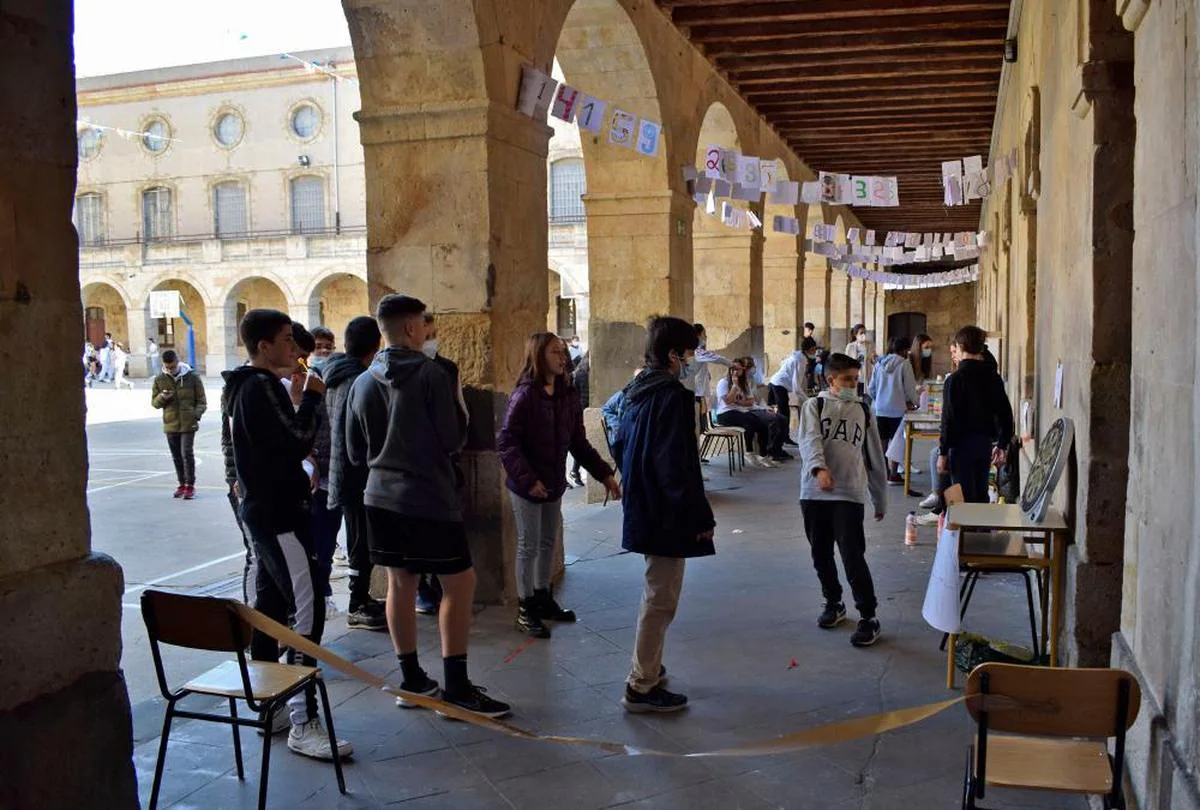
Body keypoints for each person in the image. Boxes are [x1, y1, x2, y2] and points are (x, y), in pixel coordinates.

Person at [345, 294, 510, 718]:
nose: (427, 332)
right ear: (411, 329)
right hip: (429, 497)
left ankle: (412, 679)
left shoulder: (362, 381)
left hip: (379, 497)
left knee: (401, 584)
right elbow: (453, 437)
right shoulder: (433, 375)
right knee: (459, 583)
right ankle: (456, 686)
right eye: (423, 325)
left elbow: (353, 449)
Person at [222, 308, 352, 760]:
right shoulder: (257, 386)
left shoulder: (243, 385)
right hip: (278, 515)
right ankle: (302, 718)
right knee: (307, 609)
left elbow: (271, 446)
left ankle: (271, 706)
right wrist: (313, 398)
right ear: (263, 346)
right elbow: (297, 438)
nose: (295, 350)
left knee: (271, 606)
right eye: (285, 340)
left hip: (266, 510)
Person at [611, 316, 714, 713]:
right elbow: (676, 464)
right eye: (688, 352)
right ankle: (641, 684)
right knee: (661, 596)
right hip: (665, 511)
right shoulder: (670, 395)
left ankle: (649, 664)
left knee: (657, 591)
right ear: (673, 354)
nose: (691, 360)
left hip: (644, 502)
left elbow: (619, 443)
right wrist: (698, 518)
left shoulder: (637, 389)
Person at [497, 334, 620, 639]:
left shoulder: (568, 394)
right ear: (539, 355)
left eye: (564, 352)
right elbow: (507, 442)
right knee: (528, 544)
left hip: (553, 482)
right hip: (527, 485)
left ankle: (542, 598)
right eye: (556, 352)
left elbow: (577, 441)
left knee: (547, 542)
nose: (563, 357)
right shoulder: (525, 395)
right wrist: (529, 480)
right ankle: (526, 610)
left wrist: (604, 474)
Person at [797, 353, 887, 647]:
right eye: (847, 379)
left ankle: (868, 615)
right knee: (820, 553)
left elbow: (874, 456)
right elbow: (809, 439)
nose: (853, 384)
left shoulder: (864, 409)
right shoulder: (815, 405)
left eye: (856, 379)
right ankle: (833, 602)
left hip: (849, 492)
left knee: (852, 554)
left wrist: (879, 497)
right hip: (815, 492)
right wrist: (819, 469)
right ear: (830, 379)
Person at [325, 316, 388, 631]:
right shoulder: (359, 381)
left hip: (343, 471)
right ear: (376, 346)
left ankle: (361, 598)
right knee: (361, 543)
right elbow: (361, 435)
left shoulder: (336, 374)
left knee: (358, 540)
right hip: (358, 474)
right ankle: (357, 603)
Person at [938, 326, 1014, 504]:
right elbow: (1005, 414)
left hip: (960, 445)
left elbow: (948, 419)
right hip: (984, 444)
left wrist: (943, 452)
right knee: (981, 494)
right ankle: (982, 530)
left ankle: (967, 531)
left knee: (961, 496)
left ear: (960, 347)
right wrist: (1002, 443)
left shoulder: (955, 380)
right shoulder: (993, 378)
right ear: (981, 348)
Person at [151, 349, 206, 500]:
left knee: (186, 453)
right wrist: (162, 397)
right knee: (176, 456)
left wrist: (196, 414)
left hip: (188, 423)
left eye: (173, 366)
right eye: (167, 367)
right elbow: (154, 403)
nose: (170, 369)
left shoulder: (192, 377)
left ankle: (190, 485)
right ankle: (181, 484)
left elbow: (202, 401)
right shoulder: (159, 379)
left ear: (178, 361)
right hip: (171, 423)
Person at [714, 360, 789, 466]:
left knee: (762, 425)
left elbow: (750, 401)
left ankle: (763, 455)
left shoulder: (744, 383)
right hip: (725, 414)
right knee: (749, 420)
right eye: (734, 368)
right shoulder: (724, 382)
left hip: (740, 411)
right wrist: (734, 386)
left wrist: (740, 402)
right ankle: (749, 452)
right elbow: (728, 401)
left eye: (739, 369)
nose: (736, 371)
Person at [867, 336, 919, 485]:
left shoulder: (879, 364)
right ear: (904, 350)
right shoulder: (904, 364)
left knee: (882, 443)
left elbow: (871, 389)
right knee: (897, 443)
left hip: (880, 410)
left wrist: (880, 399)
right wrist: (915, 403)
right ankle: (894, 475)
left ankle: (882, 473)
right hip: (897, 410)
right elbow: (909, 387)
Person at [768, 336, 818, 415]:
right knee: (784, 413)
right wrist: (807, 400)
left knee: (782, 412)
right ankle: (782, 427)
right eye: (814, 349)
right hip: (779, 384)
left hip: (775, 382)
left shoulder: (798, 355)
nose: (815, 352)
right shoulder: (800, 360)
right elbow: (796, 387)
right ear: (810, 349)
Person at [567, 351, 591, 488]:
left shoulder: (584, 371)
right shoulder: (582, 373)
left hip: (583, 410)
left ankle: (574, 471)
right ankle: (574, 471)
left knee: (581, 444)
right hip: (582, 411)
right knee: (580, 443)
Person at [844, 324, 875, 389]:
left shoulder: (870, 345)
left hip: (866, 375)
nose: (863, 335)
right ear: (856, 334)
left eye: (864, 333)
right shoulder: (850, 346)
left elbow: (873, 360)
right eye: (861, 333)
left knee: (866, 395)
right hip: (855, 375)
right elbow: (846, 362)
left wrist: (874, 359)